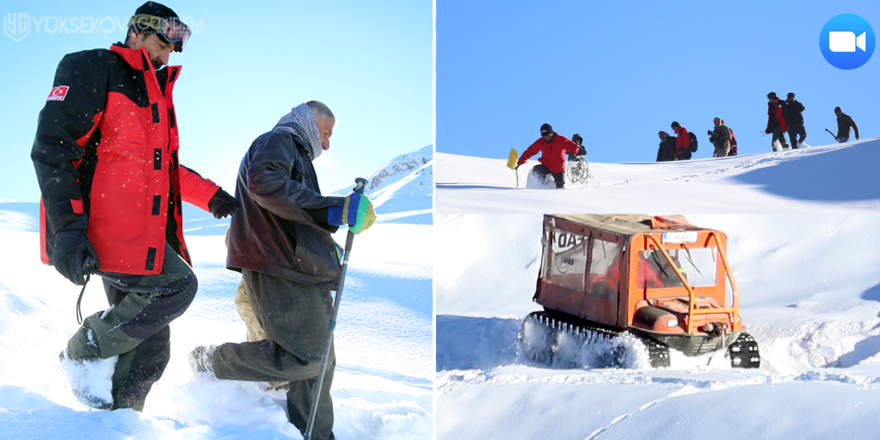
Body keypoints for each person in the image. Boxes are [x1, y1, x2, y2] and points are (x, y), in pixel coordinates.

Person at [30, 1, 239, 411]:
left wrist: (211, 196)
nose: (166, 56)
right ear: (137, 32)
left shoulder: (154, 94)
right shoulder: (93, 67)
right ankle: (81, 352)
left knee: (153, 346)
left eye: (172, 50)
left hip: (139, 237)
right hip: (104, 233)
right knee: (177, 286)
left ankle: (116, 419)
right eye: (163, 44)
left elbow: (164, 169)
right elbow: (53, 150)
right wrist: (69, 232)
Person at [189, 100, 375, 440]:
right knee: (304, 357)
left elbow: (294, 210)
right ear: (307, 121)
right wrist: (333, 209)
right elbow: (265, 185)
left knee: (321, 362)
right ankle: (213, 361)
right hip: (278, 264)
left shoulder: (299, 155)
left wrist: (325, 238)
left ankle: (315, 435)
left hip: (303, 267)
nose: (328, 144)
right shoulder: (278, 141)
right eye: (326, 132)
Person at [516, 123, 580, 188]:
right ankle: (539, 189)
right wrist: (519, 162)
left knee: (560, 188)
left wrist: (574, 153)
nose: (546, 137)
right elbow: (529, 151)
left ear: (551, 133)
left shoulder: (561, 140)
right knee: (536, 169)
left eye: (547, 135)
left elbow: (574, 146)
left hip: (558, 169)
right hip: (545, 167)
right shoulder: (540, 142)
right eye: (543, 135)